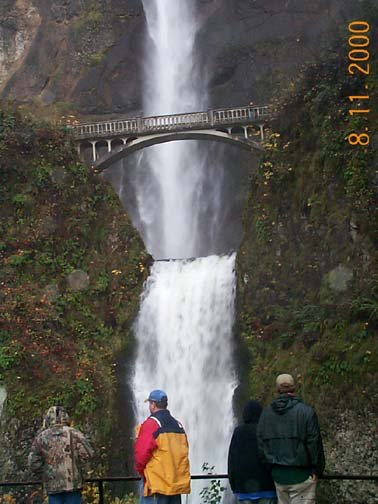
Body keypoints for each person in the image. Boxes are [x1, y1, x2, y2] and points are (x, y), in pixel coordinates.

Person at [257, 374, 325, 504]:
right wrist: (317, 470)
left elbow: (261, 445)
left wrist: (271, 468)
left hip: (278, 476)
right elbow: (314, 443)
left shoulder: (266, 413)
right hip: (302, 476)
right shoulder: (306, 412)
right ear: (294, 388)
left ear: (277, 390)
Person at [134, 389, 190, 504]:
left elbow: (141, 453)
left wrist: (141, 472)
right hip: (175, 485)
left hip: (157, 485)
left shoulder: (151, 424)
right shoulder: (178, 425)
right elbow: (185, 450)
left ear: (153, 405)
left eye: (150, 403)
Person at [28, 406, 94, 504]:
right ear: (66, 417)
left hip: (53, 485)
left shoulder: (41, 437)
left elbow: (33, 463)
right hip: (73, 485)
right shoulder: (75, 434)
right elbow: (88, 454)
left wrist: (47, 471)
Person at [228, 400, 277, 503]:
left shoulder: (238, 432)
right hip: (266, 487)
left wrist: (234, 485)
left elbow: (232, 461)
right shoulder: (267, 431)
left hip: (243, 489)